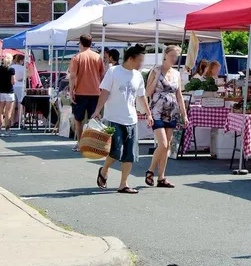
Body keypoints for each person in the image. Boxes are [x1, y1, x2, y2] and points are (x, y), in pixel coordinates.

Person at [93, 44, 153, 194]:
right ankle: (104, 170)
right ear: (131, 58)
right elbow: (104, 92)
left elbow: (141, 96)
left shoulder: (138, 76)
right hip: (114, 118)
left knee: (130, 154)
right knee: (115, 151)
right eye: (139, 60)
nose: (141, 64)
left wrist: (148, 113)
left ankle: (123, 184)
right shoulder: (113, 71)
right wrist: (97, 111)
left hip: (131, 118)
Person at [144, 45, 188, 188]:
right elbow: (148, 92)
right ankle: (150, 170)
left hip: (172, 112)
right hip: (157, 111)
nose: (174, 59)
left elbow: (179, 95)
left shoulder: (176, 73)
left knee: (167, 145)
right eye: (172, 56)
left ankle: (161, 177)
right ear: (165, 55)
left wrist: (184, 115)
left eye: (176, 56)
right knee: (162, 144)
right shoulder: (156, 70)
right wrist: (156, 77)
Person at [69, 34, 105, 150]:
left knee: (78, 119)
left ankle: (80, 143)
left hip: (80, 91)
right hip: (95, 91)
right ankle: (94, 143)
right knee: (94, 118)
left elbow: (73, 76)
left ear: (80, 43)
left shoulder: (77, 57)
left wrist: (71, 91)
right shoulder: (98, 57)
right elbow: (102, 74)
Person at [0, 54, 16, 136]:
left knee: (0, 112)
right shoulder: (11, 69)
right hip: (9, 92)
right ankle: (7, 130)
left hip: (0, 92)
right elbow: (13, 82)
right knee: (8, 112)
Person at [11, 54, 25, 125]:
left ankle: (12, 121)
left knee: (12, 104)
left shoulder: (11, 67)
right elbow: (26, 77)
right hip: (21, 86)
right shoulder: (23, 68)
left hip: (12, 86)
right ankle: (20, 122)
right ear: (20, 60)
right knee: (20, 104)